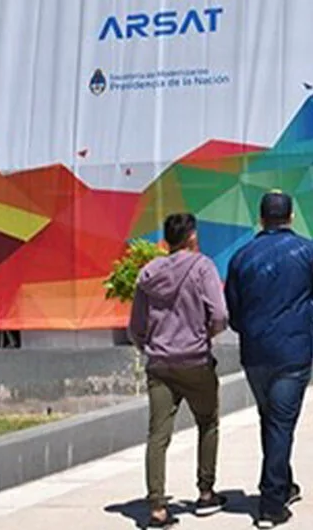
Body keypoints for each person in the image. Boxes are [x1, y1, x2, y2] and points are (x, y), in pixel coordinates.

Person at [225, 192, 313, 528]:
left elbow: (234, 312)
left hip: (255, 352)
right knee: (280, 422)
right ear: (290, 217)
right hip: (292, 352)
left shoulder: (241, 256)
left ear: (261, 219)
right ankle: (272, 503)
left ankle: (284, 484)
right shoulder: (309, 251)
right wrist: (300, 317)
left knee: (271, 419)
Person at [128, 213, 230, 528]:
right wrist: (204, 335)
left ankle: (157, 507)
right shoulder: (203, 267)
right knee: (208, 422)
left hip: (160, 364)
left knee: (158, 435)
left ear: (166, 242)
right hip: (195, 361)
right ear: (192, 238)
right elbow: (220, 314)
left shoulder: (148, 274)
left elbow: (136, 327)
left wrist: (151, 346)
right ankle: (205, 492)